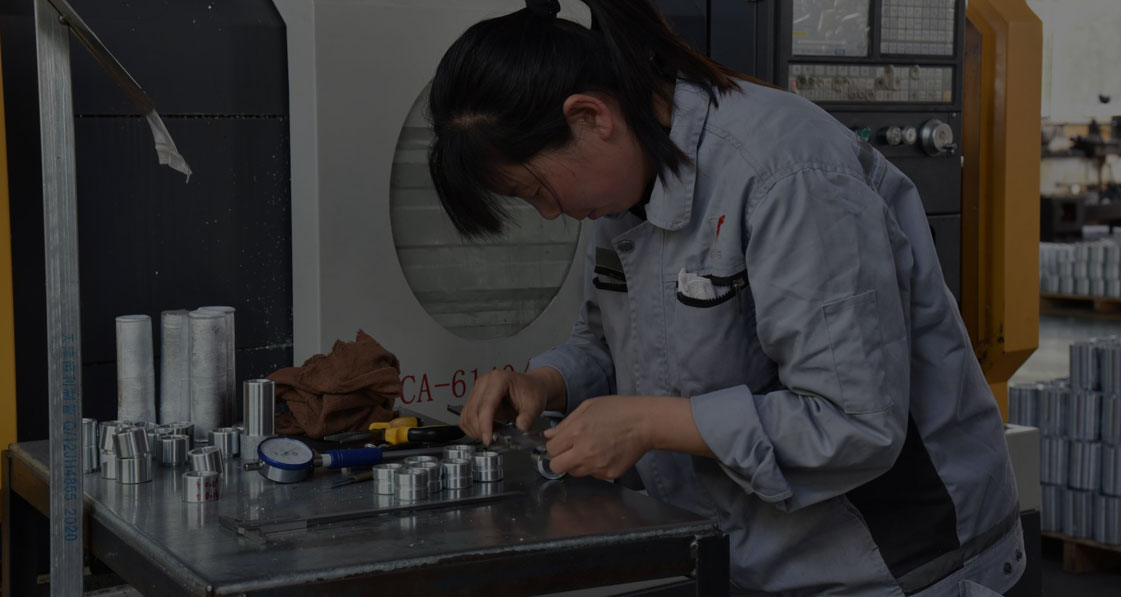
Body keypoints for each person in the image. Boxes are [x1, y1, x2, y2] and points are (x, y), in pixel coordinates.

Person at [427, 0, 1026, 594]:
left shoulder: (787, 175)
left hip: (897, 565)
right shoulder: (624, 189)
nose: (549, 211)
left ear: (590, 116)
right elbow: (621, 346)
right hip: (750, 557)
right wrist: (547, 383)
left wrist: (646, 423)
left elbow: (852, 422)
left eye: (536, 189)